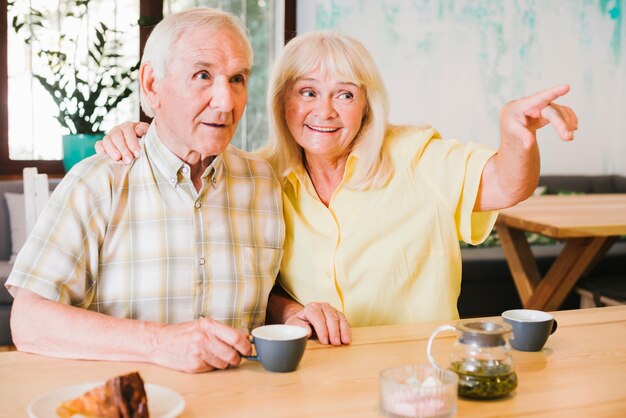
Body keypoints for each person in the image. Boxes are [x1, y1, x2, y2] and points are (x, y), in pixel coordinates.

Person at [97, 32, 578, 342]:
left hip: (422, 372)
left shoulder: (416, 154)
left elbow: (504, 184)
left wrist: (518, 138)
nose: (324, 112)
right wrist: (140, 132)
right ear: (282, 101)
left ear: (366, 105)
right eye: (307, 92)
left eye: (344, 95)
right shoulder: (257, 177)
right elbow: (237, 279)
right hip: (313, 379)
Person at [5, 8, 287, 373]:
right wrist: (159, 342)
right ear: (152, 85)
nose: (226, 102)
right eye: (203, 75)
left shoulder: (264, 183)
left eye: (237, 79)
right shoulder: (96, 183)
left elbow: (268, 295)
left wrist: (293, 310)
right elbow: (28, 322)